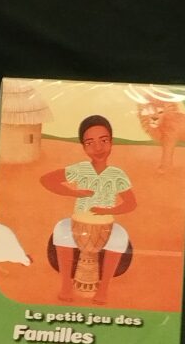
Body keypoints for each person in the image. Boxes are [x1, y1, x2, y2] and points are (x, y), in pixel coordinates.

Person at [40, 115, 137, 304]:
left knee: (121, 236)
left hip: (106, 225)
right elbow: (47, 180)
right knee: (61, 229)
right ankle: (66, 286)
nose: (98, 148)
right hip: (78, 222)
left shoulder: (117, 174)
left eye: (104, 141)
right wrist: (74, 193)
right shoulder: (81, 169)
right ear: (84, 147)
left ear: (111, 142)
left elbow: (130, 204)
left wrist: (107, 211)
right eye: (90, 143)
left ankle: (103, 289)